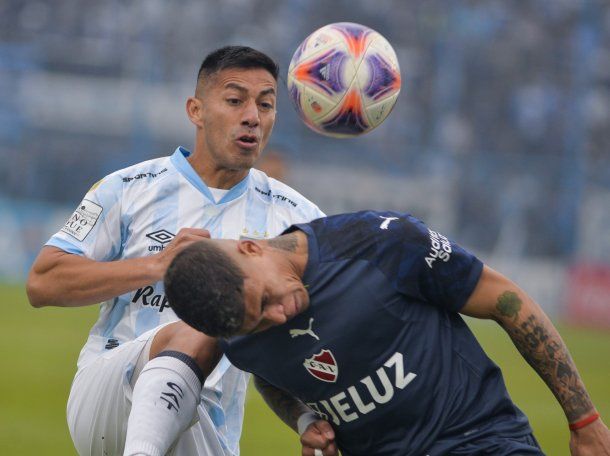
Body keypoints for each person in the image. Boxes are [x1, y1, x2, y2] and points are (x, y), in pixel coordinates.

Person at [26, 46, 325, 456]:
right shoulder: (127, 188)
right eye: (235, 100)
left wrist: (307, 420)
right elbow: (43, 282)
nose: (252, 116)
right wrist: (159, 264)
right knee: (198, 324)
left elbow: (308, 337)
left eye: (266, 104)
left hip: (208, 425)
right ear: (196, 110)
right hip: (111, 397)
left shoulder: (299, 221)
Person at [165, 210, 610, 456]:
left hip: (481, 443)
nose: (279, 316)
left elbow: (506, 300)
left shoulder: (377, 244)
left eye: (266, 299)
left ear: (251, 248)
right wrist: (303, 420)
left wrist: (584, 420)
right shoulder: (236, 334)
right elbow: (268, 373)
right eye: (259, 322)